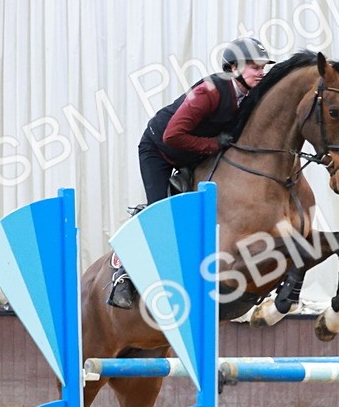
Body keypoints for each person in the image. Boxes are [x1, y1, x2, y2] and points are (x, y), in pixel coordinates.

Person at [108, 37, 274, 309]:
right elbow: (173, 135)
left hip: (195, 154)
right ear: (233, 68)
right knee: (159, 213)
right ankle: (122, 272)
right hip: (159, 149)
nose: (261, 72)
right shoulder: (209, 91)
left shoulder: (249, 95)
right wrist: (212, 145)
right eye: (255, 67)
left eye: (262, 67)